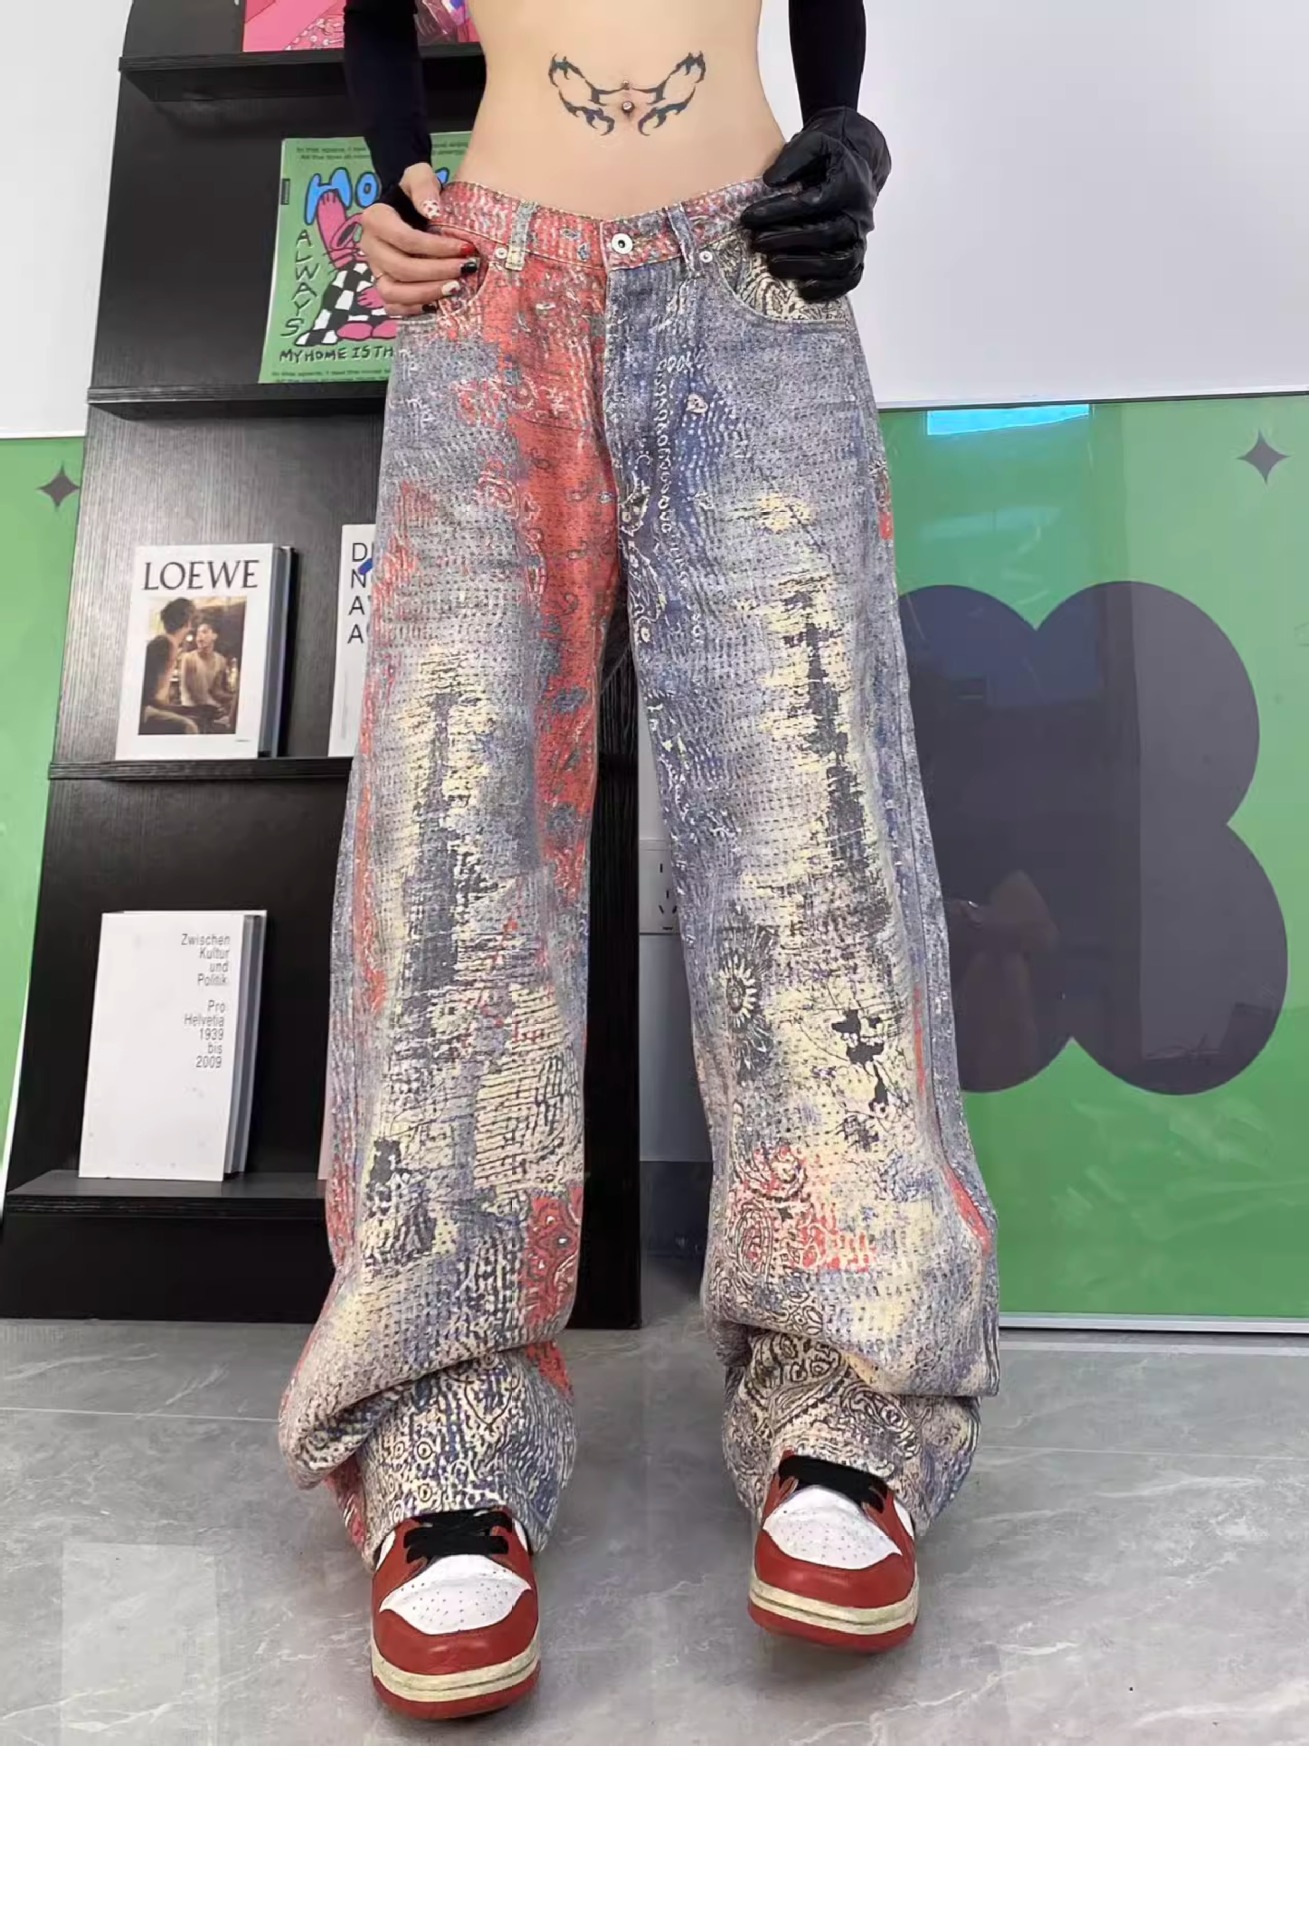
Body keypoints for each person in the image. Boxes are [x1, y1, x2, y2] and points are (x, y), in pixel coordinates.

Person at [279, 0, 999, 1723]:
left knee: (813, 826)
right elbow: (378, 13)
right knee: (450, 853)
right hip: (484, 284)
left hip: (751, 269)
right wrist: (393, 178)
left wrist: (850, 139)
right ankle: (439, 1422)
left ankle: (853, 1397)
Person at [138, 598, 199, 736]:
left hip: (147, 710)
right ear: (188, 622)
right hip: (143, 713)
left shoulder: (161, 642)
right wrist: (190, 710)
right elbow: (153, 699)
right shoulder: (168, 644)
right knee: (189, 727)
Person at [178, 613, 236, 732]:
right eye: (197, 633)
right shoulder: (189, 658)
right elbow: (196, 693)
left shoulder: (221, 660)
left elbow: (216, 690)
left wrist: (233, 698)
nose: (199, 637)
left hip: (210, 710)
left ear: (214, 636)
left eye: (204, 632)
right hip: (191, 710)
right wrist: (217, 707)